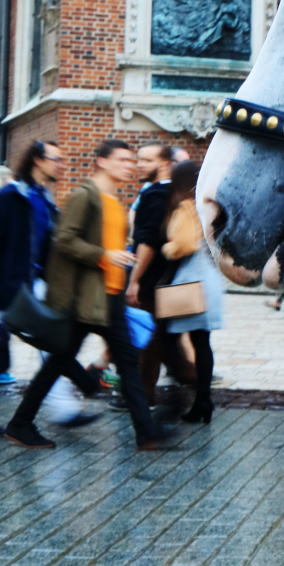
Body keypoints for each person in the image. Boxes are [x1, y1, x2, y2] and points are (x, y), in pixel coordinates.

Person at [3, 136, 174, 452]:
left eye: (131, 160)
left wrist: (119, 260)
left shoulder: (114, 201)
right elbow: (64, 241)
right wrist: (104, 255)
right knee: (60, 362)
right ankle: (20, 424)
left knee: (124, 362)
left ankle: (146, 433)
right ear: (102, 161)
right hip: (85, 301)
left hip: (108, 298)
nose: (130, 166)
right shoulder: (85, 196)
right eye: (123, 160)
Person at [0, 140, 103, 413]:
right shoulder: (10, 197)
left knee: (53, 346)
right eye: (56, 159)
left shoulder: (45, 200)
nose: (61, 165)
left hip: (36, 287)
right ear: (38, 160)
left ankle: (64, 411)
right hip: (5, 288)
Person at [152, 159, 224, 425]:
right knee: (202, 342)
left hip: (190, 281)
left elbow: (182, 245)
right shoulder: (209, 206)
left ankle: (192, 396)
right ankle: (203, 400)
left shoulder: (184, 207)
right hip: (208, 279)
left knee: (169, 339)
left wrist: (166, 248)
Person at [128, 141, 193, 405]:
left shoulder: (155, 194)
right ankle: (188, 384)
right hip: (173, 282)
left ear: (164, 164)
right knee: (164, 343)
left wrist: (134, 279)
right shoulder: (177, 194)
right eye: (139, 159)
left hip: (153, 282)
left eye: (146, 160)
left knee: (151, 344)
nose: (139, 165)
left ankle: (143, 398)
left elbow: (147, 242)